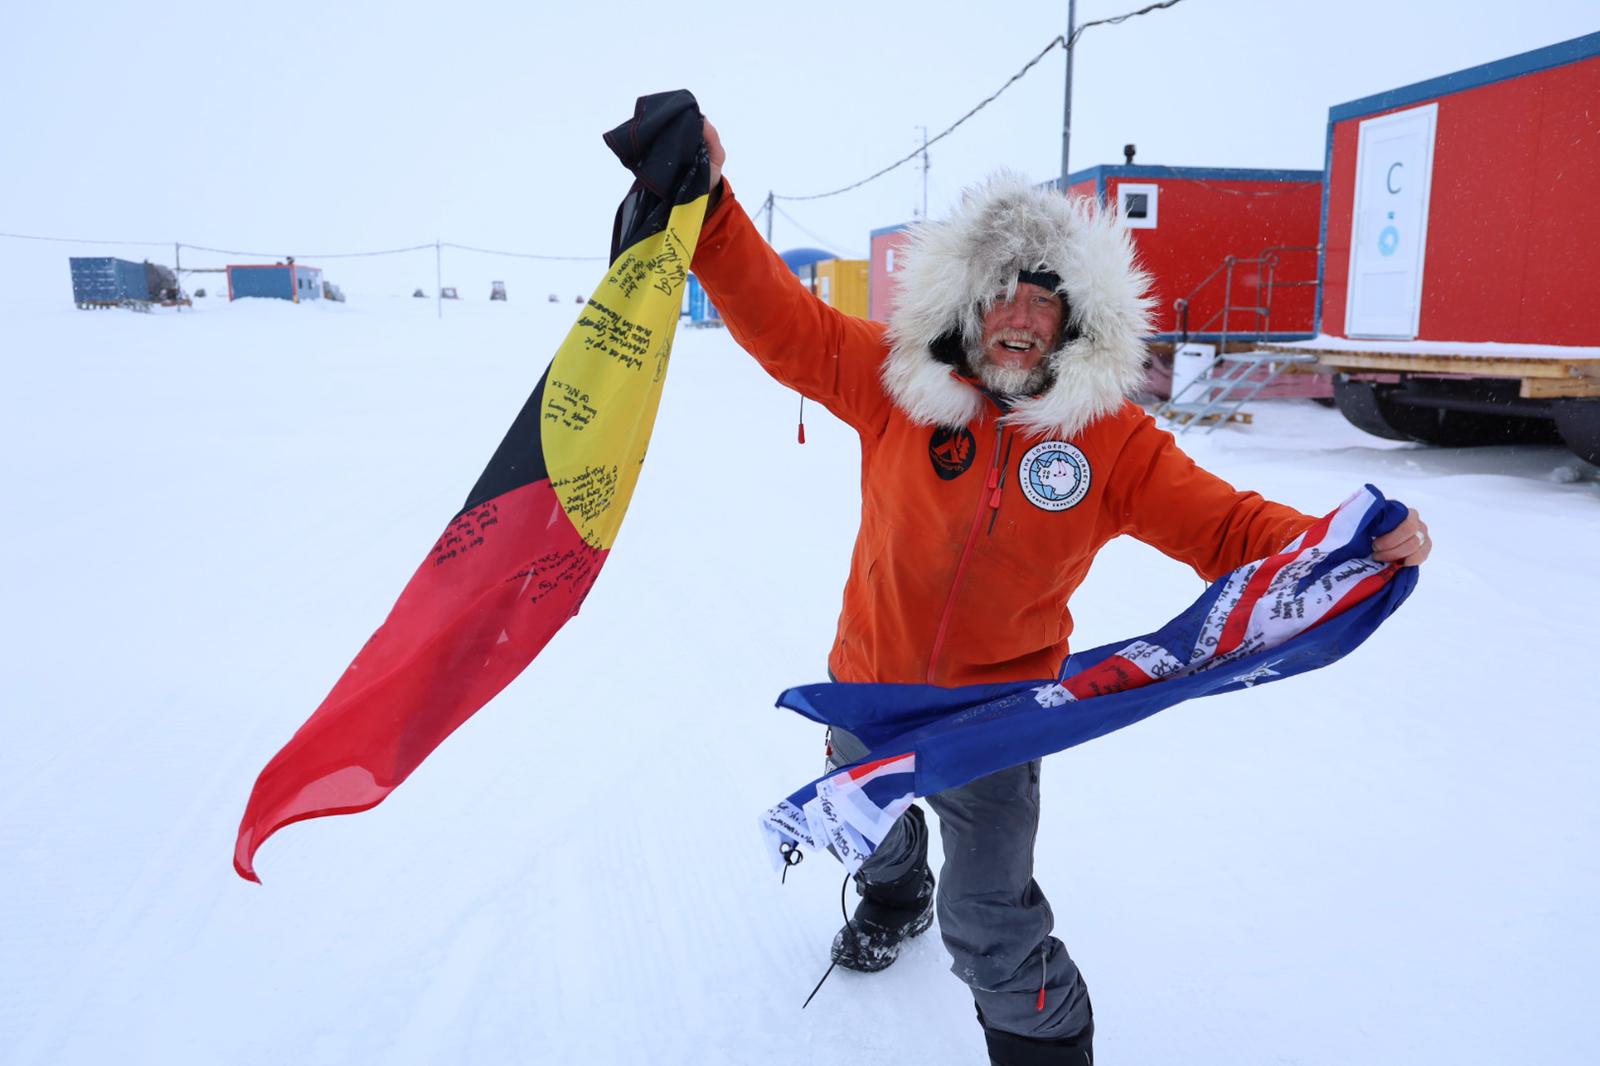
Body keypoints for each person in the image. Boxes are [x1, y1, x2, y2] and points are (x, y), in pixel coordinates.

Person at [689, 118, 1430, 1066]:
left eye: (1047, 302)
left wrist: (1347, 547)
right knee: (869, 829)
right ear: (966, 299)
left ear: (1079, 322)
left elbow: (1230, 530)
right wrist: (709, 206)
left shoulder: (1109, 441)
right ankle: (892, 893)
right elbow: (781, 321)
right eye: (1003, 290)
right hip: (868, 686)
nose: (1021, 315)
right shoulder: (893, 386)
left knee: (990, 926)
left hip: (999, 720)